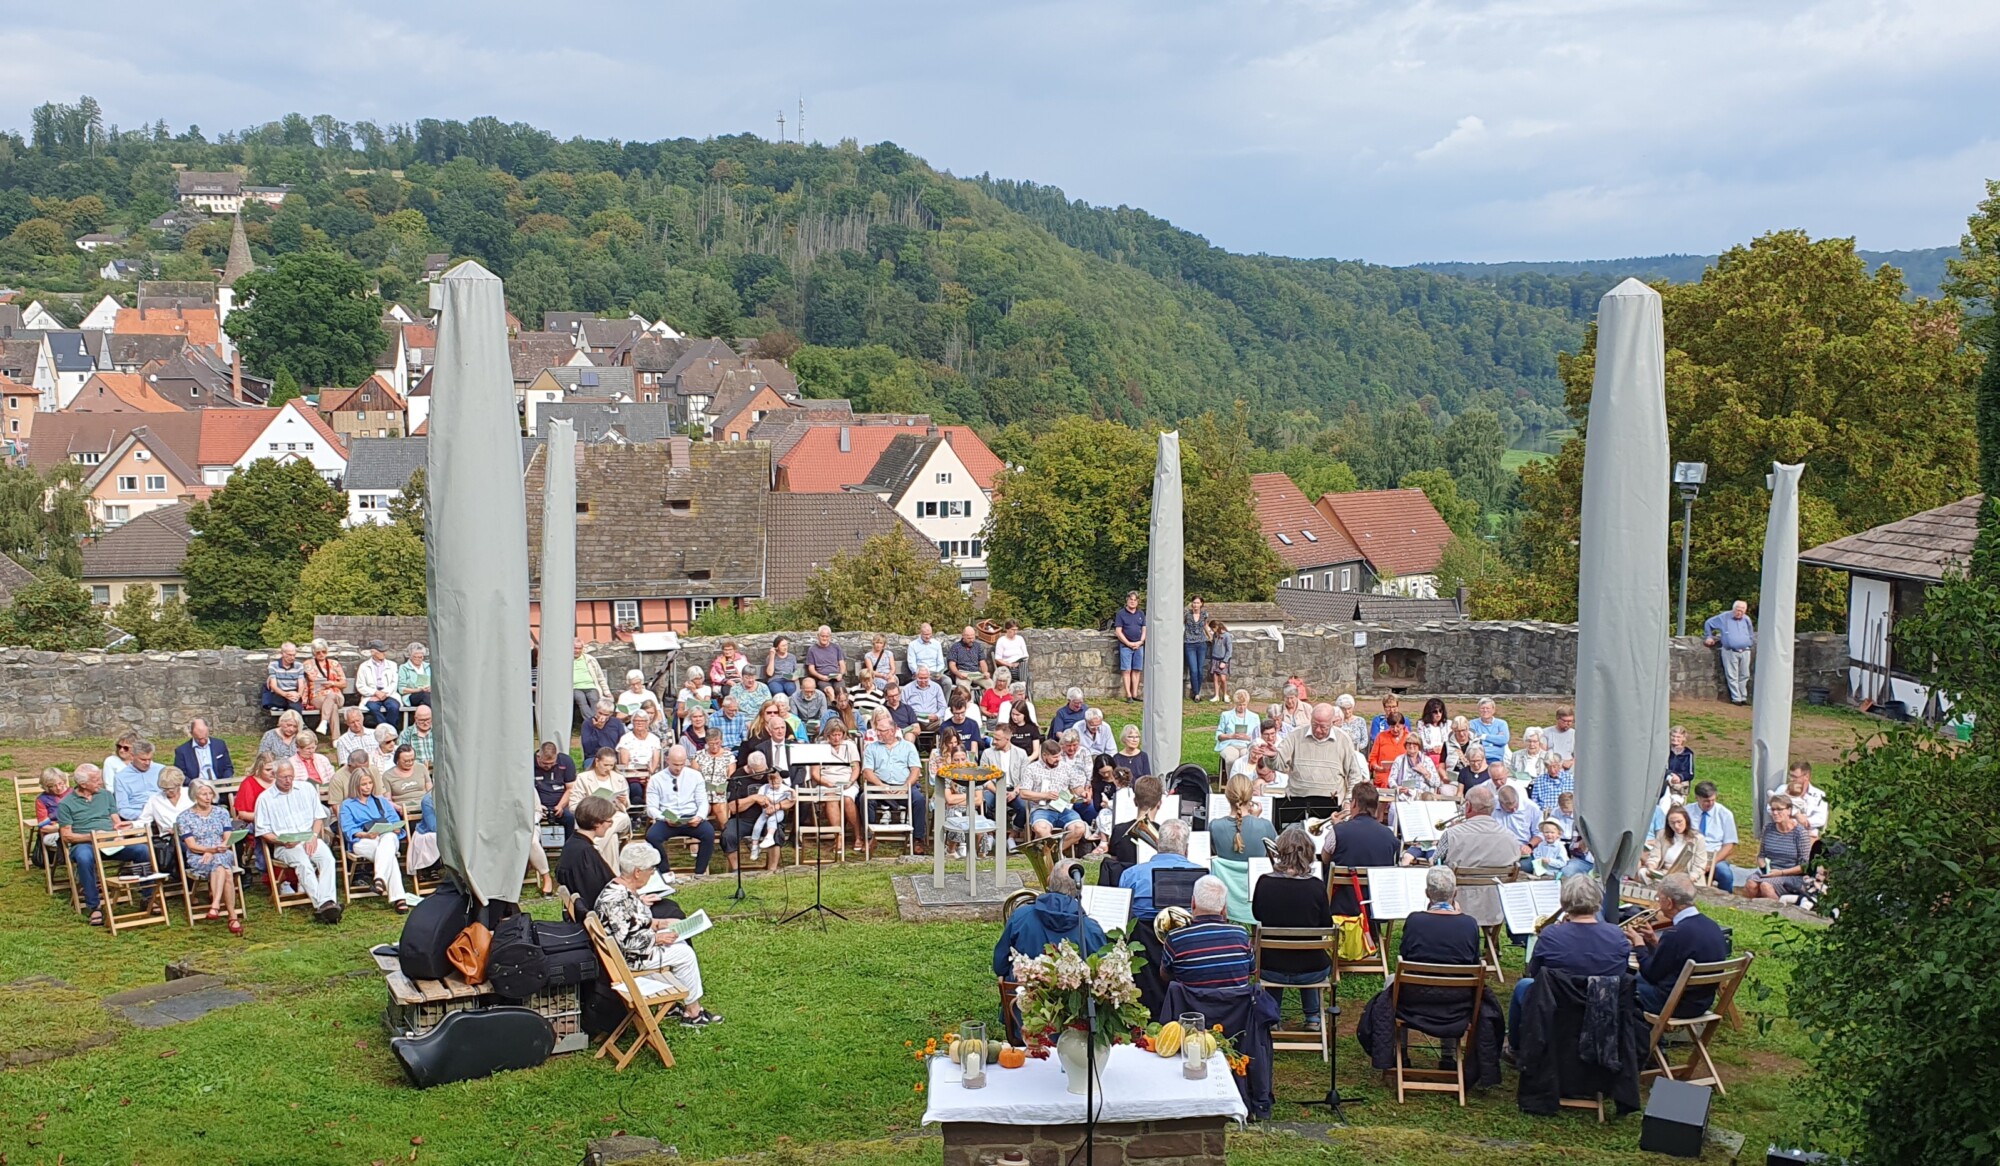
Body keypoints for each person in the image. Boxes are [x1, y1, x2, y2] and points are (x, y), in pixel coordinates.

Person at [595, 842, 720, 1026]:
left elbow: (632, 922)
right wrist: (658, 937)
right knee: (685, 955)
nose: (653, 873)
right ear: (637, 871)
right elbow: (627, 941)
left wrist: (660, 923)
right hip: (630, 959)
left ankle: (672, 1006)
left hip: (627, 952)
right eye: (651, 869)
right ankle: (693, 1013)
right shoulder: (618, 899)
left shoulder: (618, 887)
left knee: (680, 944)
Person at [1508, 875, 1630, 1054]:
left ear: (1564, 901)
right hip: (1602, 1008)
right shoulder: (1617, 935)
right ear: (1598, 901)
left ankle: (1516, 1048)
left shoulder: (1551, 935)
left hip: (1558, 1007)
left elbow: (1534, 974)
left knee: (1522, 986)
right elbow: (1622, 972)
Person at [1253, 825, 1334, 1026]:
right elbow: (1326, 923)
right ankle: (1313, 1017)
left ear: (1280, 851)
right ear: (1308, 852)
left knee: (1279, 955)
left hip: (1270, 967)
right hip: (1312, 969)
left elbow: (1257, 914)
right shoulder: (1316, 886)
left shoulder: (1264, 883)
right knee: (1305, 954)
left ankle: (1273, 1018)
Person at [59, 764, 158, 926]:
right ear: (83, 784)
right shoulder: (66, 804)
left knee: (142, 850)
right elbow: (67, 836)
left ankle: (148, 897)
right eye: (96, 780)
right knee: (84, 858)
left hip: (110, 842)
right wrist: (91, 837)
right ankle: (94, 906)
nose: (101, 782)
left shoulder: (106, 796)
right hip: (85, 843)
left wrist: (120, 833)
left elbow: (116, 822)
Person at [255, 758, 342, 924]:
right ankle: (323, 904)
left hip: (308, 836)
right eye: (283, 777)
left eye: (290, 776)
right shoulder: (265, 798)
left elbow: (318, 817)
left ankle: (328, 902)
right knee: (303, 863)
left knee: (328, 859)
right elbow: (263, 831)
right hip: (285, 844)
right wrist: (281, 841)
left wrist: (313, 837)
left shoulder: (306, 788)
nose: (288, 780)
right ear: (274, 776)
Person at [1632, 874, 1729, 1016]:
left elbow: (1651, 975)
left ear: (1670, 903)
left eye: (1659, 898)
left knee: (1621, 988)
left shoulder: (1675, 934)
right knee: (1633, 980)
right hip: (1701, 1002)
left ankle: (1629, 1034)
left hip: (1673, 1004)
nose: (1658, 903)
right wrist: (1653, 940)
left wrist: (1639, 945)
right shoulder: (1712, 925)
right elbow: (1676, 957)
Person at [995, 866, 1107, 977]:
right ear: (1079, 888)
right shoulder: (1091, 928)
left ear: (1049, 880)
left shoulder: (1020, 916)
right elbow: (1102, 974)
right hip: (1072, 994)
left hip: (1022, 993)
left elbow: (999, 967)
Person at [1434, 785, 1517, 929]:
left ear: (1468, 806)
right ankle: (1491, 945)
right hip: (1495, 907)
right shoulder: (1510, 837)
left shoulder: (1452, 834)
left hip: (1458, 905)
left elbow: (1435, 862)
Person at [338, 767, 419, 911]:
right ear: (355, 785)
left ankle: (380, 879)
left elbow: (395, 821)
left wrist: (394, 827)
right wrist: (366, 834)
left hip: (386, 837)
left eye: (370, 783)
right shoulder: (347, 805)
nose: (368, 787)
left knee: (388, 838)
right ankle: (398, 898)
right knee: (389, 856)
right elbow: (349, 830)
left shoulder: (381, 800)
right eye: (364, 784)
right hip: (363, 840)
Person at [1163, 875, 1254, 989]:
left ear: (1193, 903)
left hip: (1190, 1006)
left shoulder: (1175, 937)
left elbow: (1165, 975)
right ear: (1224, 907)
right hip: (1235, 1006)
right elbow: (1251, 971)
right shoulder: (1242, 935)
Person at [176, 779, 243, 933]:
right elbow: (191, 845)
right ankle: (232, 916)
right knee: (225, 870)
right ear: (194, 796)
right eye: (203, 794)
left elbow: (227, 837)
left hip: (222, 851)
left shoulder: (222, 812)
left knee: (220, 861)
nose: (207, 797)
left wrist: (218, 848)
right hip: (198, 855)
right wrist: (209, 850)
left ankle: (215, 905)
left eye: (210, 793)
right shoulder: (184, 817)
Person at [1326, 783, 1400, 914]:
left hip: (1342, 906)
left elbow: (1326, 859)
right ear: (1376, 806)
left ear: (1354, 803)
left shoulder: (1338, 831)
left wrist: (1338, 827)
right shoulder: (1390, 836)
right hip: (1376, 908)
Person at [1276, 703, 1369, 801]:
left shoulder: (1343, 739)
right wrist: (1272, 757)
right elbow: (1278, 764)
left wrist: (1349, 800)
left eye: (1323, 727)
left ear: (1332, 723)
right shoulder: (1295, 735)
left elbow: (1355, 775)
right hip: (1296, 803)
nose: (1318, 730)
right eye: (1314, 724)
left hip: (1333, 808)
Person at [646, 744, 716, 875]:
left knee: (708, 833)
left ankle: (699, 872)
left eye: (681, 764)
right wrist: (663, 818)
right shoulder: (656, 779)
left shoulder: (695, 776)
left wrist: (699, 817)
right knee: (652, 836)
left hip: (691, 817)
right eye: (675, 764)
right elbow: (651, 808)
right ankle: (665, 871)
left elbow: (702, 802)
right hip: (667, 819)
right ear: (667, 760)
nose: (678, 768)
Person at [861, 711, 927, 847]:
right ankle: (870, 837)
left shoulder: (908, 746)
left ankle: (917, 839)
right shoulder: (871, 748)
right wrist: (881, 786)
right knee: (865, 799)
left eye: (881, 731)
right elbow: (867, 772)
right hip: (879, 787)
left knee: (919, 800)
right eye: (877, 730)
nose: (878, 733)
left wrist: (905, 786)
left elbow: (915, 770)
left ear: (892, 731)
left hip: (904, 786)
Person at [1120, 819, 1203, 922]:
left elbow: (1122, 915)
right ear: (1186, 848)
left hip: (1140, 936)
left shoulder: (1130, 874)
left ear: (1157, 843)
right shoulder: (1203, 877)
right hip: (1187, 936)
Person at [1400, 866, 1483, 966]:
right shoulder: (1470, 923)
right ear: (1455, 893)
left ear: (1427, 893)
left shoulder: (1414, 920)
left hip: (1415, 981)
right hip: (1461, 980)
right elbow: (1474, 961)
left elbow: (1404, 955)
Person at [1018, 735, 1087, 852]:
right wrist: (1045, 795)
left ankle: (1054, 853)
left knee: (1080, 828)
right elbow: (1023, 793)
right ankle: (1052, 854)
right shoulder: (1031, 769)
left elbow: (1076, 787)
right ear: (1044, 755)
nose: (1058, 759)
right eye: (1055, 757)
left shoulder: (1066, 768)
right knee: (1041, 829)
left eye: (1059, 756)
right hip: (1041, 809)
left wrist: (1082, 792)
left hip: (1064, 808)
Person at [1738, 792, 1813, 900]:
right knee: (1751, 884)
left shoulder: (1799, 833)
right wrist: (1763, 867)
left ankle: (1778, 911)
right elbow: (1761, 855)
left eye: (1779, 809)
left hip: (1791, 875)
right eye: (1773, 809)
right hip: (1770, 871)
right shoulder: (1768, 829)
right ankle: (1750, 911)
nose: (1775, 813)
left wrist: (1781, 872)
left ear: (1789, 810)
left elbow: (1805, 866)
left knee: (1766, 886)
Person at [575, 749, 633, 870]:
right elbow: (573, 805)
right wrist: (590, 807)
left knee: (617, 819)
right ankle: (612, 875)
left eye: (611, 765)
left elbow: (627, 806)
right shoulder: (582, 778)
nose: (608, 768)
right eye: (605, 765)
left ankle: (594, 849)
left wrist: (623, 801)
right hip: (593, 819)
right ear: (597, 761)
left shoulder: (619, 778)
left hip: (616, 816)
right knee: (612, 838)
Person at [1702, 599, 1756, 704]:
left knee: (1745, 675)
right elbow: (1708, 623)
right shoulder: (1724, 617)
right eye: (1738, 610)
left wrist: (1750, 641)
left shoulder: (1746, 619)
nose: (1739, 613)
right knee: (1732, 675)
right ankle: (1736, 698)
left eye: (1742, 610)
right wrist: (1709, 636)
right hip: (1730, 651)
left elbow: (1750, 631)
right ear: (1733, 609)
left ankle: (1743, 697)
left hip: (1745, 650)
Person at [1211, 773, 1276, 858]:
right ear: (1250, 795)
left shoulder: (1214, 826)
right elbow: (1277, 853)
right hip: (1258, 871)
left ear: (1227, 795)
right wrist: (1255, 819)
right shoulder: (1265, 826)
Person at [1689, 781, 1740, 891]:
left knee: (1725, 875)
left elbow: (1729, 844)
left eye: (1713, 800)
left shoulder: (1725, 814)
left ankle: (1725, 901)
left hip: (1714, 855)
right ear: (1697, 798)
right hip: (1691, 853)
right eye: (1706, 801)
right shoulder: (1687, 812)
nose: (1710, 803)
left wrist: (1712, 863)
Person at [1642, 803, 1710, 885]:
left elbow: (1699, 866)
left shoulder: (1698, 839)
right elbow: (1655, 856)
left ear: (1686, 820)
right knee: (1643, 872)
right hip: (1665, 873)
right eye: (1672, 823)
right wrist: (1651, 867)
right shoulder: (1662, 835)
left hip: (1687, 877)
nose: (1676, 826)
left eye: (1679, 822)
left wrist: (1690, 878)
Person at [748, 761, 793, 862]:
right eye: (772, 782)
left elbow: (792, 799)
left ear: (781, 779)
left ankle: (769, 837)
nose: (775, 785)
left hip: (778, 812)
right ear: (768, 780)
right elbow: (760, 797)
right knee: (757, 825)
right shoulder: (764, 788)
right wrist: (768, 805)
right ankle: (755, 846)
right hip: (765, 811)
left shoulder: (785, 788)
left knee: (772, 820)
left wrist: (793, 792)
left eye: (777, 782)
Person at [1492, 776, 1541, 864]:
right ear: (1500, 803)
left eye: (1515, 806)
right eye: (1509, 809)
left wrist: (1529, 845)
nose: (1513, 810)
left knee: (1526, 866)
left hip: (1522, 848)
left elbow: (1540, 833)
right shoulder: (1491, 805)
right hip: (1497, 848)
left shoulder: (1531, 808)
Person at [302, 639, 347, 734]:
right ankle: (335, 738)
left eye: (324, 651)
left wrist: (333, 683)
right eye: (318, 652)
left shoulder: (334, 664)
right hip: (317, 696)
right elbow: (300, 679)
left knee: (332, 695)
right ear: (314, 652)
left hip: (336, 695)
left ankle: (323, 721)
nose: (321, 654)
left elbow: (344, 684)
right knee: (333, 706)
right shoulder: (307, 664)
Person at [1111, 591, 1147, 700]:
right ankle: (1128, 695)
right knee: (1126, 670)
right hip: (1126, 646)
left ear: (1138, 602)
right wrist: (1128, 643)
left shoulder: (1140, 613)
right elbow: (1118, 631)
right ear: (1127, 600)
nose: (1132, 602)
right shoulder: (1121, 614)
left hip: (1139, 646)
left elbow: (1144, 629)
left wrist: (1140, 642)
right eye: (1131, 599)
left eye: (1135, 600)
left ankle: (1135, 694)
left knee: (1137, 670)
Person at [356, 641, 400, 726]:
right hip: (371, 695)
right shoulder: (364, 666)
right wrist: (375, 693)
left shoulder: (392, 665)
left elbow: (394, 683)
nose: (384, 653)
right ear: (373, 652)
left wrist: (383, 693)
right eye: (381, 651)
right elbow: (360, 685)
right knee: (373, 707)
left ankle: (390, 731)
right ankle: (385, 730)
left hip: (388, 694)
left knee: (394, 707)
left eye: (384, 651)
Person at [1389, 735, 1447, 799]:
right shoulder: (1399, 759)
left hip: (1424, 796)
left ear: (1419, 746)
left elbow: (1437, 783)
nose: (1411, 746)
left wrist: (1426, 773)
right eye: (1409, 743)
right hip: (1404, 795)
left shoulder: (1427, 760)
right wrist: (1397, 788)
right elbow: (1391, 779)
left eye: (1414, 743)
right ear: (1405, 745)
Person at [570, 637, 611, 726]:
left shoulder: (590, 659)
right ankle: (593, 723)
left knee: (594, 700)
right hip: (575, 687)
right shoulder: (565, 660)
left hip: (591, 686)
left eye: (579, 648)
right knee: (581, 700)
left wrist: (606, 691)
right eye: (575, 648)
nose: (576, 651)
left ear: (582, 649)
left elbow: (600, 676)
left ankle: (596, 721)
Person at [1215, 689, 1259, 768]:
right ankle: (1231, 779)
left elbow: (1258, 737)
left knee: (1246, 756)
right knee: (1231, 758)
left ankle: (1246, 779)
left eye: (1244, 705)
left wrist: (1248, 737)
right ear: (1235, 703)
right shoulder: (1226, 715)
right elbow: (1219, 735)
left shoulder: (1254, 717)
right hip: (1230, 744)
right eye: (1239, 705)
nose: (1242, 707)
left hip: (1246, 745)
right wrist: (1231, 736)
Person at [1785, 762, 1828, 840]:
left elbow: (1820, 819)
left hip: (1808, 834)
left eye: (1795, 776)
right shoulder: (1783, 789)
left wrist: (1803, 822)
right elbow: (1770, 808)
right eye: (1790, 775)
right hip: (1785, 833)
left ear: (1806, 777)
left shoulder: (1819, 794)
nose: (1791, 779)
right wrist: (1796, 815)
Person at [1367, 708, 1410, 788]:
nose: (1395, 729)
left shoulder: (1409, 737)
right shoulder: (1381, 736)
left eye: (1398, 726)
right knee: (1386, 782)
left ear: (1403, 725)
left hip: (1404, 773)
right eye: (1392, 727)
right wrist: (1377, 767)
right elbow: (1372, 758)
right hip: (1384, 773)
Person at [263, 641, 309, 713]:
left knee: (295, 706)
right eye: (290, 655)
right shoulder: (273, 665)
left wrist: (298, 695)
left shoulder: (299, 666)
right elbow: (273, 686)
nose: (292, 657)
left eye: (294, 655)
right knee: (290, 705)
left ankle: (299, 723)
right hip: (280, 694)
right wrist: (285, 694)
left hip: (294, 694)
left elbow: (301, 684)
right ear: (282, 654)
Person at [947, 625, 991, 694]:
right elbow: (952, 665)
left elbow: (982, 662)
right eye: (969, 638)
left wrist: (985, 672)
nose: (971, 640)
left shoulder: (978, 646)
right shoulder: (956, 647)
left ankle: (990, 704)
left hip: (976, 673)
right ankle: (967, 704)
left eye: (972, 638)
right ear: (963, 636)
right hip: (962, 673)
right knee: (964, 690)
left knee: (991, 685)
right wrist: (959, 674)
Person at [993, 620, 1030, 697]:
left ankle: (1023, 687)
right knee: (1027, 676)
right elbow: (997, 659)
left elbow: (1026, 655)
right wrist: (1010, 664)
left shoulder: (1020, 639)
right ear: (1007, 629)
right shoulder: (1002, 641)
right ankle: (1024, 694)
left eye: (1016, 630)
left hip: (1021, 665)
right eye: (1013, 630)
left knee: (1023, 664)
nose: (1015, 632)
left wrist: (1019, 662)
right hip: (1010, 667)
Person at [1470, 699, 1511, 768]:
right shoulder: (1472, 724)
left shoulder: (1502, 724)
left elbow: (1504, 740)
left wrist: (1484, 736)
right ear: (1478, 710)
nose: (1485, 710)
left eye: (1488, 708)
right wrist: (1495, 740)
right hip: (1477, 758)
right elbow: (1473, 741)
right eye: (1482, 708)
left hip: (1496, 758)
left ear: (1493, 710)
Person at [1182, 595, 1209, 701]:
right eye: (1194, 602)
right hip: (1189, 643)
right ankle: (1196, 693)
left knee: (1200, 670)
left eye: (1197, 603)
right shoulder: (1187, 614)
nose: (1195, 605)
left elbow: (1205, 626)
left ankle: (1198, 691)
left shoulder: (1204, 615)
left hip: (1201, 643)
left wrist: (1210, 636)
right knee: (1193, 670)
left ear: (1201, 604)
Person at [332, 708, 373, 774]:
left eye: (358, 720)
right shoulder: (342, 741)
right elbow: (344, 765)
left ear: (362, 718)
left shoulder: (374, 734)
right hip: (358, 775)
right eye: (352, 722)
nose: (356, 725)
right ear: (346, 723)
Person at [1415, 697, 1451, 766]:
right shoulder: (1422, 724)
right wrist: (1432, 749)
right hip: (1427, 757)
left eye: (1440, 711)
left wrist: (1442, 749)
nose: (1438, 714)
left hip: (1444, 758)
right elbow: (1422, 743)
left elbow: (1448, 741)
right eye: (1435, 712)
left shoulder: (1447, 724)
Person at [1541, 706, 1576, 775]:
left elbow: (1580, 755)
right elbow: (1542, 754)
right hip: (1551, 768)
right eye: (1565, 721)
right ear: (1558, 719)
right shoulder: (1546, 732)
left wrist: (1571, 762)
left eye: (1571, 721)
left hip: (1570, 770)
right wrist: (1559, 763)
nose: (1568, 724)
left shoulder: (1575, 734)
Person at [1207, 619, 1233, 703]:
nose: (1212, 630)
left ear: (1216, 627)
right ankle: (1216, 695)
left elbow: (1229, 651)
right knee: (1215, 678)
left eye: (1212, 628)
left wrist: (1224, 661)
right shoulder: (1215, 635)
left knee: (1223, 678)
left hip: (1222, 660)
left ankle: (1225, 694)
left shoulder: (1227, 636)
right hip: (1215, 658)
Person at [398, 643, 432, 709]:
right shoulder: (404, 668)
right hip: (412, 696)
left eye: (420, 657)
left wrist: (431, 688)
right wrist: (419, 690)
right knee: (424, 695)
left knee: (428, 698)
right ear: (410, 656)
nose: (418, 659)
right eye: (415, 657)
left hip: (428, 694)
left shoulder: (428, 666)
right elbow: (401, 689)